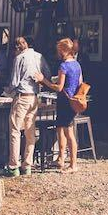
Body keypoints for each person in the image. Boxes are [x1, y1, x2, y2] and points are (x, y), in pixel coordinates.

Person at [35, 37, 83, 173]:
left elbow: (59, 87)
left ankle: (73, 164)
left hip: (64, 101)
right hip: (73, 100)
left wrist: (43, 80)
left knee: (68, 133)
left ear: (63, 50)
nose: (57, 53)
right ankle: (61, 159)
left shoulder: (64, 66)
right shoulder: (77, 65)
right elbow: (80, 82)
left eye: (58, 50)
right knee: (61, 128)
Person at [5, 36, 49, 177]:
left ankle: (13, 165)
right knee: (30, 132)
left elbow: (14, 81)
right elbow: (46, 75)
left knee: (15, 131)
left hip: (22, 97)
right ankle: (27, 165)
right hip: (34, 97)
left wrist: (6, 91)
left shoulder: (19, 58)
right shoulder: (39, 56)